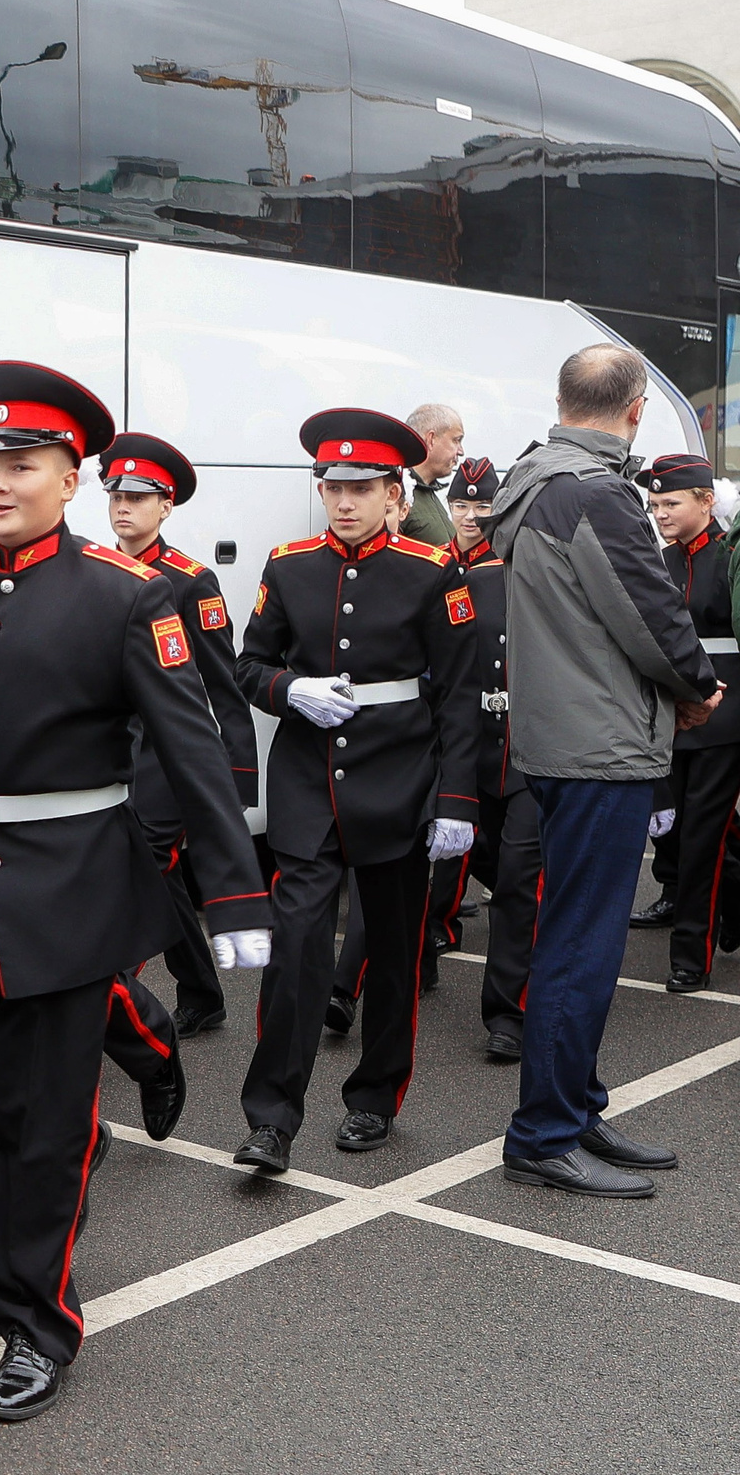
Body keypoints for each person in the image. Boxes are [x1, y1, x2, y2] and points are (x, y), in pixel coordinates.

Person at [0, 362, 271, 1422]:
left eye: (22, 464)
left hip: (72, 892)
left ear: (69, 474)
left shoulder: (129, 594)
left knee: (36, 1130)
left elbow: (191, 744)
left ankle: (34, 1320)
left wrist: (233, 895)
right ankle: (95, 1100)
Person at [483, 346, 715, 1194]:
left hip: (566, 740)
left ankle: (575, 1109)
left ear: (560, 399)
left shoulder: (536, 480)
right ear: (636, 411)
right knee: (582, 945)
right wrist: (697, 686)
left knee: (576, 937)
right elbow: (649, 614)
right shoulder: (595, 491)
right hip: (600, 749)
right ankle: (545, 1132)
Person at [233, 409, 480, 1172]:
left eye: (361, 486)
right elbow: (247, 666)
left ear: (394, 493)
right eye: (333, 485)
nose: (343, 500)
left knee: (397, 948)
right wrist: (288, 687)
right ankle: (272, 1118)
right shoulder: (288, 565)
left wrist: (457, 803)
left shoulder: (432, 570)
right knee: (298, 946)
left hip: (398, 783)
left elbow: (462, 695)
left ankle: (376, 1095)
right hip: (308, 783)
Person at [101, 433, 258, 1040]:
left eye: (139, 497)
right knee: (161, 879)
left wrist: (236, 777)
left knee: (140, 872)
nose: (123, 506)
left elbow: (222, 684)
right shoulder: (95, 568)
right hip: (109, 750)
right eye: (116, 494)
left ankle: (101, 1003)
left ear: (166, 507)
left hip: (165, 759)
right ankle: (200, 990)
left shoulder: (190, 583)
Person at [439, 458, 539, 1061]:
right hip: (470, 750)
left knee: (521, 884)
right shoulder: (444, 576)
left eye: (485, 508)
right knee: (488, 867)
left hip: (529, 750)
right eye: (464, 506)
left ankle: (508, 1012)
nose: (475, 518)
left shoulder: (531, 572)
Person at [637, 453, 740, 992]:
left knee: (703, 832)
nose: (661, 513)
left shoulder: (731, 557)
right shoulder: (661, 560)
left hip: (726, 716)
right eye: (655, 505)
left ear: (706, 500)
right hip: (672, 714)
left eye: (671, 503)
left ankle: (690, 955)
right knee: (677, 830)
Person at [401, 402, 466, 548]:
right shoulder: (397, 493)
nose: (461, 451)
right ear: (431, 440)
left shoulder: (427, 494)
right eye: (456, 440)